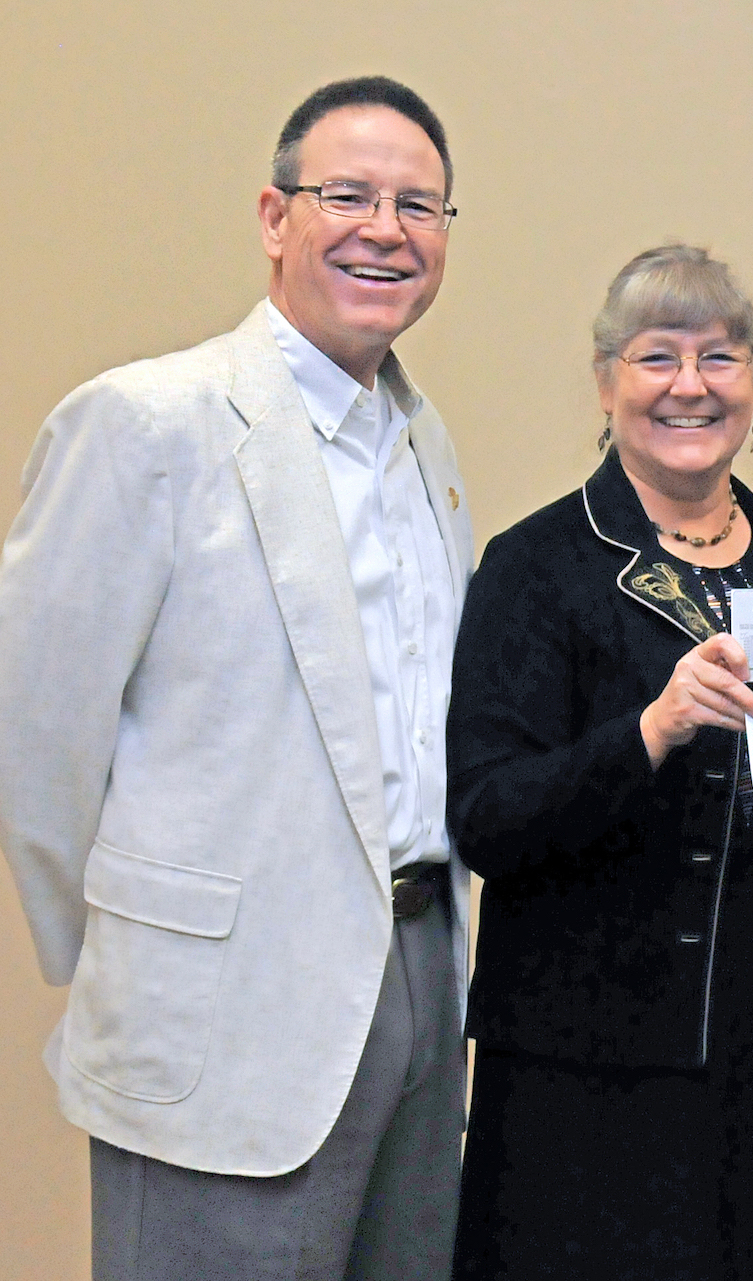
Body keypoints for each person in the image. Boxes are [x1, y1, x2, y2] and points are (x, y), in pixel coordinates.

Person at [0, 76, 471, 1280]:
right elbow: (34, 727)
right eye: (347, 195)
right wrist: (137, 948)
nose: (386, 229)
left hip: (420, 980)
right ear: (274, 216)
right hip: (219, 1006)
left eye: (420, 206)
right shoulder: (146, 425)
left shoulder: (425, 445)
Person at [444, 243, 753, 1281]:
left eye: (720, 356)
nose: (689, 386)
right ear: (606, 382)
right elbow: (487, 814)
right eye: (656, 357)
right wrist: (649, 731)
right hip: (591, 1071)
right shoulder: (538, 568)